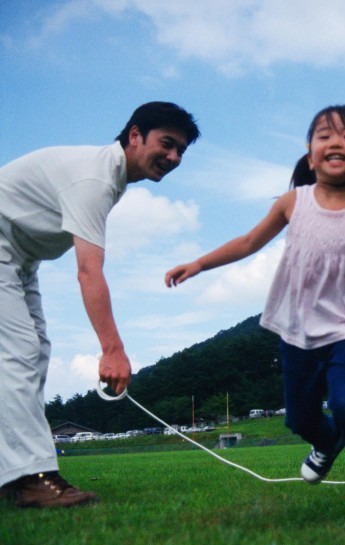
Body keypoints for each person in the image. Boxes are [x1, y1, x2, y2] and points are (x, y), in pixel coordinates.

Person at [165, 105, 345, 513]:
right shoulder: (293, 202)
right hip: (296, 330)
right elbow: (249, 241)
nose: (335, 141)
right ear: (309, 153)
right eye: (324, 135)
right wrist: (199, 263)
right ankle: (327, 440)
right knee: (299, 418)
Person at [0, 102, 201, 508]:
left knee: (34, 353)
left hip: (21, 258)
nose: (175, 157)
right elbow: (89, 271)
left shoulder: (111, 177)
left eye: (181, 150)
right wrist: (112, 349)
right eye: (167, 144)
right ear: (134, 135)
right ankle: (31, 478)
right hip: (5, 243)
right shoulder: (95, 179)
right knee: (18, 353)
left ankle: (15, 475)